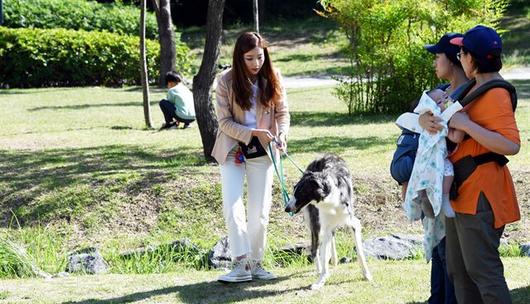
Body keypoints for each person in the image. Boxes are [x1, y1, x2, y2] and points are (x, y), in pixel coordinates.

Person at [436, 25, 518, 304]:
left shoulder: (496, 93)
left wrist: (466, 125)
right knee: (459, 271)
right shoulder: (473, 87)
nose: (459, 58)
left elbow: (511, 145)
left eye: (462, 53)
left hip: (481, 192)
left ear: (473, 58)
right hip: (461, 190)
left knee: (483, 271)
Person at [391, 32, 468, 304]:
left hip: (453, 184)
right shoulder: (441, 94)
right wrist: (422, 119)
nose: (434, 62)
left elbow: (457, 134)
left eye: (438, 57)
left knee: (449, 254)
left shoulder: (466, 94)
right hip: (432, 181)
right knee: (438, 248)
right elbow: (408, 120)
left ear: (456, 59)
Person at [211, 32, 290, 283]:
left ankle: (256, 264)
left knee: (260, 212)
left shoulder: (273, 76)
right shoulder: (225, 81)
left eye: (259, 57)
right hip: (233, 149)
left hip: (264, 150)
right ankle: (240, 264)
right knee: (233, 207)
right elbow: (224, 122)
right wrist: (252, 132)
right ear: (239, 58)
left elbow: (283, 113)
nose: (256, 63)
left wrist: (283, 134)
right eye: (249, 58)